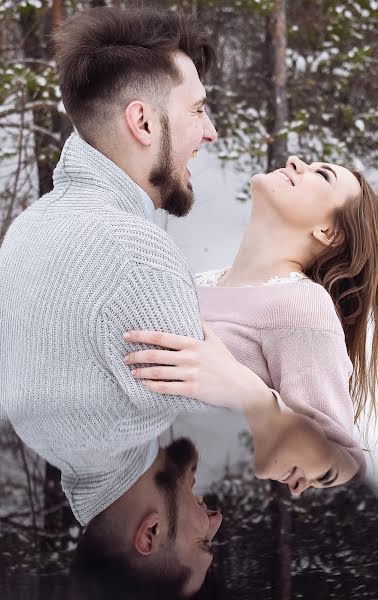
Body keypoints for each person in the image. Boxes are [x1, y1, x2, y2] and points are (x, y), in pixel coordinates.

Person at [0, 6, 276, 595]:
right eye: (199, 110)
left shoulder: (28, 229)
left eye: (205, 540)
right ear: (143, 122)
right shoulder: (135, 253)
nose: (211, 131)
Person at [122, 156, 378, 495]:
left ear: (328, 232)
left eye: (323, 175)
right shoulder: (191, 284)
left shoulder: (303, 306)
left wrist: (248, 394)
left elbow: (343, 464)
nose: (296, 161)